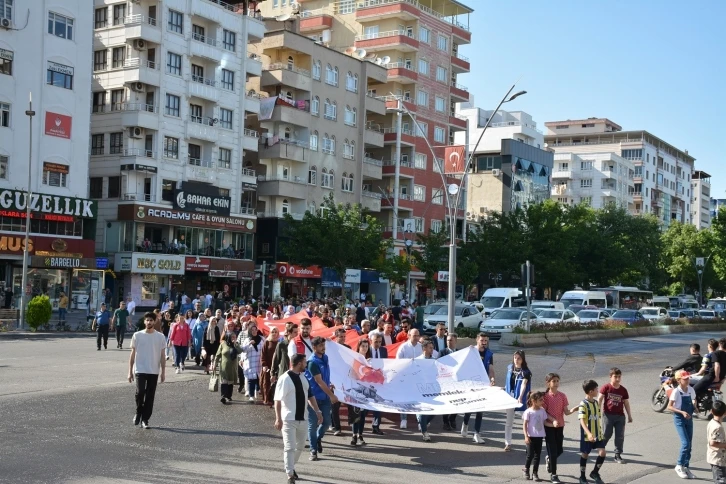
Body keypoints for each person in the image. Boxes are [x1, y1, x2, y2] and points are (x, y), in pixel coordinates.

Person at [274, 353, 324, 484]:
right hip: (288, 419)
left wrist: (318, 411)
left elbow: (310, 396)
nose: (306, 364)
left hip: (303, 418)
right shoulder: (284, 379)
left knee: (300, 446)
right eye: (304, 362)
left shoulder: (304, 377)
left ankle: (290, 465)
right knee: (290, 447)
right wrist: (278, 418)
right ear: (299, 363)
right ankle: (290, 474)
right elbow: (277, 400)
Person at [127, 312, 167, 429]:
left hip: (153, 370)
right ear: (144, 322)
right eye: (147, 320)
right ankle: (138, 412)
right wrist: (129, 371)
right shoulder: (137, 335)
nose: (149, 322)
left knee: (150, 396)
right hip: (140, 369)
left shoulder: (160, 337)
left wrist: (163, 372)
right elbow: (132, 354)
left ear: (154, 322)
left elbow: (163, 356)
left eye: (151, 320)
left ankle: (145, 419)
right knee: (140, 393)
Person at [305, 336, 339, 461]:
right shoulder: (312, 362)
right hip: (313, 398)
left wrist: (329, 384)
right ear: (314, 347)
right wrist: (331, 395)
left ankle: (318, 438)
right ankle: (313, 450)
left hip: (324, 397)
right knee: (312, 425)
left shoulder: (325, 358)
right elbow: (319, 382)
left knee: (326, 423)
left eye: (323, 345)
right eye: (320, 346)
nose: (323, 348)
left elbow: (325, 378)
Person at [543, 372, 579, 484]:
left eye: (557, 381)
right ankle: (554, 475)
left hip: (560, 426)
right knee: (553, 451)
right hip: (548, 426)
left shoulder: (562, 396)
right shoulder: (545, 397)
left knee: (560, 450)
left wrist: (575, 409)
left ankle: (549, 459)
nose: (556, 383)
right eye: (554, 381)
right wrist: (553, 420)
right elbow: (544, 412)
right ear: (548, 383)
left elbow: (566, 412)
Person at [462, 333, 496, 443]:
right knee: (470, 407)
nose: (484, 342)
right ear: (477, 340)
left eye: (486, 340)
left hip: (483, 384)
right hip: (471, 384)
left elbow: (490, 368)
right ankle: (465, 423)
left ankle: (476, 434)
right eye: (482, 340)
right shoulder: (471, 351)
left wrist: (492, 378)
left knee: (480, 409)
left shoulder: (489, 354)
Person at [597, 367, 633, 464]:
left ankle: (617, 455)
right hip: (608, 415)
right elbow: (599, 399)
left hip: (620, 417)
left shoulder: (623, 390)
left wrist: (629, 415)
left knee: (620, 436)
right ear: (610, 377)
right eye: (615, 376)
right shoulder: (606, 387)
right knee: (606, 434)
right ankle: (601, 449)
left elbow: (626, 403)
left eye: (619, 377)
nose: (617, 379)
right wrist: (598, 410)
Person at [668, 369, 697, 479]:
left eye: (688, 378)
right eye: (685, 379)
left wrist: (695, 406)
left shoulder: (690, 389)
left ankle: (686, 467)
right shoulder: (676, 391)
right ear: (679, 380)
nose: (687, 380)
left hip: (689, 419)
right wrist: (681, 412)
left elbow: (694, 399)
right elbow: (670, 406)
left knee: (689, 445)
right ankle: (679, 465)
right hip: (679, 419)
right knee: (685, 443)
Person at [577, 380, 606, 484]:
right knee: (585, 454)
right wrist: (588, 433)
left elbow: (597, 417)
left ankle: (595, 472)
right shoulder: (583, 404)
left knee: (602, 453)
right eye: (596, 389)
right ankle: (582, 476)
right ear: (590, 391)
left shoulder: (596, 403)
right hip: (587, 435)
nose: (598, 391)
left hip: (597, 434)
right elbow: (581, 421)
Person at [505, 350, 532, 451]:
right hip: (509, 397)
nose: (516, 360)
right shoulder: (509, 368)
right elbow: (507, 382)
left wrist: (520, 396)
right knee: (509, 422)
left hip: (521, 399)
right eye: (515, 357)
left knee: (526, 421)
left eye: (519, 358)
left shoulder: (526, 372)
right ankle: (508, 443)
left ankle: (529, 443)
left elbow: (524, 385)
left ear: (523, 359)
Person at [396, 328, 422, 429]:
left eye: (417, 335)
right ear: (409, 335)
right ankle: (403, 419)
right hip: (406, 377)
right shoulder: (403, 347)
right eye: (414, 335)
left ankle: (420, 421)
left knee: (418, 400)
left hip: (418, 377)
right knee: (404, 399)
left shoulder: (421, 347)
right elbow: (397, 362)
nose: (416, 337)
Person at [350, 339, 371, 446]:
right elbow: (351, 374)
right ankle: (354, 435)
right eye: (363, 346)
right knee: (356, 413)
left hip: (365, 391)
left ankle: (360, 434)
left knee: (362, 415)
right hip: (355, 390)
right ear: (359, 347)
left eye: (366, 346)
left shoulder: (369, 360)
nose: (364, 348)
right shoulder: (354, 359)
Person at [523, 391, 547, 481]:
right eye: (540, 400)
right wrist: (526, 436)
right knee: (530, 455)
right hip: (530, 437)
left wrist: (554, 423)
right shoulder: (528, 412)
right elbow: (524, 424)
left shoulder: (542, 410)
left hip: (539, 437)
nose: (542, 401)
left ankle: (535, 473)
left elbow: (544, 422)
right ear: (533, 400)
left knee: (537, 455)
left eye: (542, 399)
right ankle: (526, 470)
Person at [415, 338, 436, 442]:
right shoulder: (417, 360)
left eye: (433, 348)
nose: (432, 349)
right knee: (423, 411)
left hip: (432, 389)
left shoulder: (434, 360)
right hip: (420, 389)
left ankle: (421, 421)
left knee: (434, 411)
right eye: (430, 348)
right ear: (424, 348)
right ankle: (425, 432)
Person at [215, 330, 241, 404]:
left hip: (232, 367)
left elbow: (240, 351)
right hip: (224, 366)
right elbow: (217, 355)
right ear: (228, 337)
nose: (233, 338)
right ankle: (223, 396)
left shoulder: (236, 344)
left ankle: (229, 396)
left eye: (234, 337)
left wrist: (236, 344)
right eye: (232, 337)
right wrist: (214, 364)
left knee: (230, 382)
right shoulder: (223, 344)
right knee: (224, 382)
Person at [240, 322, 263, 402]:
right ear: (250, 331)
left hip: (259, 362)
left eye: (255, 329)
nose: (254, 331)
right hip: (250, 362)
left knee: (258, 378)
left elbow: (265, 348)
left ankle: (257, 390)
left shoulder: (262, 339)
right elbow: (243, 350)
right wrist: (249, 343)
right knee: (251, 379)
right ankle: (251, 395)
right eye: (252, 330)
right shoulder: (247, 340)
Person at [369, 333, 387, 435]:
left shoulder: (383, 350)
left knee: (378, 403)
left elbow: (386, 364)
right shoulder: (366, 350)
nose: (378, 344)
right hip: (367, 381)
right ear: (371, 340)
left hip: (379, 381)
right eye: (376, 341)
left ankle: (376, 426)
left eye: (380, 342)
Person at [260, 327, 280, 406]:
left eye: (276, 332)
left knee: (275, 383)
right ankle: (266, 399)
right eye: (273, 332)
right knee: (266, 383)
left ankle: (273, 399)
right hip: (267, 366)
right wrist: (264, 364)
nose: (274, 333)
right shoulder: (267, 342)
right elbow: (263, 354)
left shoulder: (279, 343)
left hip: (276, 366)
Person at [707, 400, 726, 484]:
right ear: (725, 413)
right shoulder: (718, 427)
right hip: (717, 459)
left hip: (716, 457)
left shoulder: (711, 423)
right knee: (720, 481)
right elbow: (713, 443)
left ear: (711, 411)